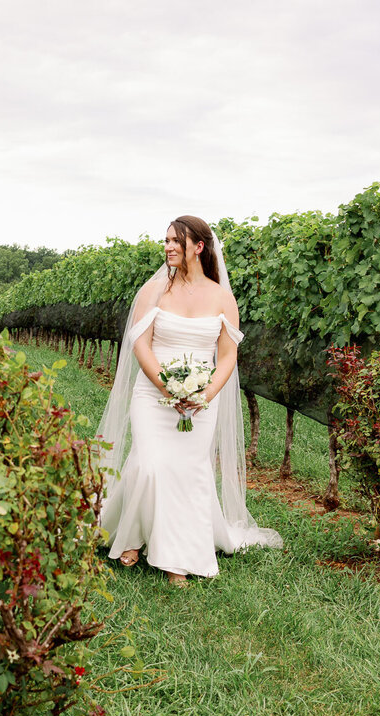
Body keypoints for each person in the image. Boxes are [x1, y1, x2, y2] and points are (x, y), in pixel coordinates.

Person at [95, 215, 281, 587]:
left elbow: (227, 355)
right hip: (152, 394)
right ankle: (131, 534)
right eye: (165, 241)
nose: (167, 247)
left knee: (185, 471)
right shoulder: (155, 291)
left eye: (175, 241)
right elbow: (140, 344)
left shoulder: (222, 297)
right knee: (148, 465)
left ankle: (176, 557)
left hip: (200, 402)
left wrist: (203, 394)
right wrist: (168, 388)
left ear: (199, 246)